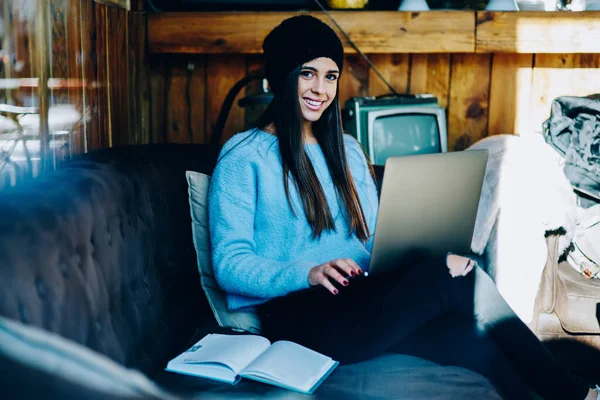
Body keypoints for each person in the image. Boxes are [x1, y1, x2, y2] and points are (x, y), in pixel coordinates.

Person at [207, 15, 598, 400]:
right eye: (308, 73)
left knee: (471, 340)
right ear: (282, 77)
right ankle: (576, 393)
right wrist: (308, 272)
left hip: (359, 299)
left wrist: (407, 251)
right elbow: (230, 264)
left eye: (330, 76)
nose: (321, 89)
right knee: (454, 277)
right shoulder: (244, 157)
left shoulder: (349, 153)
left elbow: (374, 240)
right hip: (300, 316)